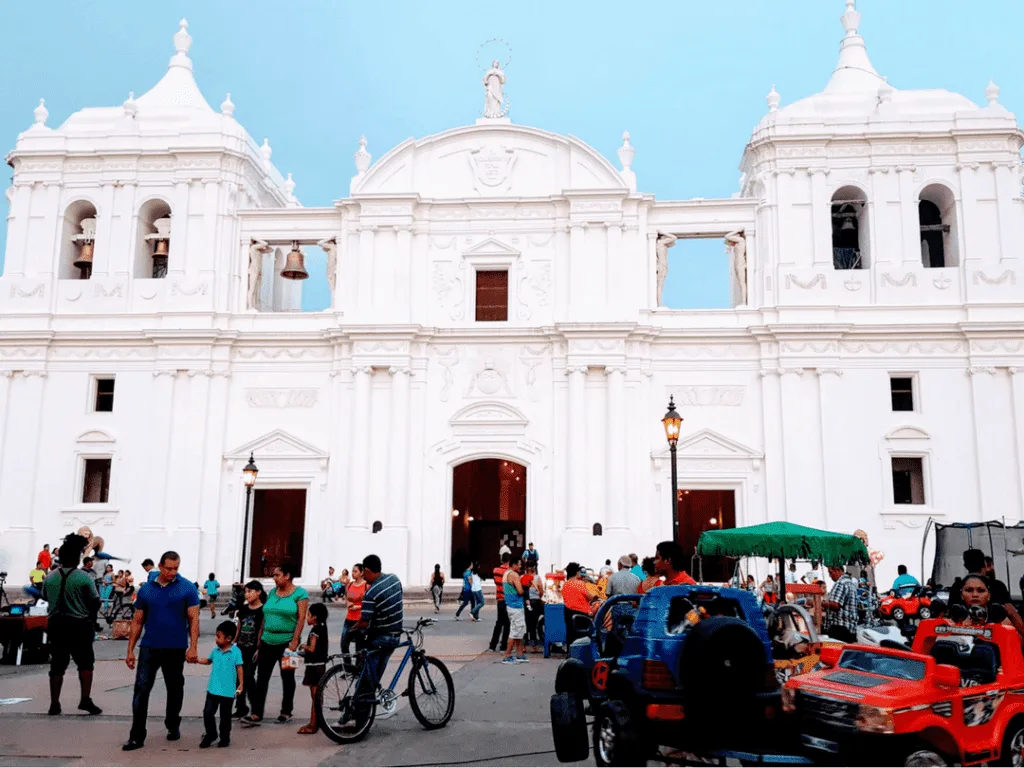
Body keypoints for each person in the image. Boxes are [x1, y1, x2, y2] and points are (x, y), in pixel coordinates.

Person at [122, 551, 201, 751]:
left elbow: (194, 619)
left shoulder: (187, 588)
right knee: (141, 688)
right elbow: (138, 620)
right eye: (168, 568)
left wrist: (193, 647)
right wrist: (130, 650)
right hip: (150, 646)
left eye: (176, 568)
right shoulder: (147, 589)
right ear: (160, 566)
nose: (172, 572)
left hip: (175, 647)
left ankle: (173, 723)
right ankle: (137, 735)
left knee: (174, 688)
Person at [41, 533, 103, 717]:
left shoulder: (50, 577)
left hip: (56, 624)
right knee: (85, 663)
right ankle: (85, 699)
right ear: (77, 558)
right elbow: (95, 601)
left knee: (57, 665)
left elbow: (44, 596)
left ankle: (54, 703)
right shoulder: (84, 578)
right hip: (79, 625)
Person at [244, 562, 309, 726]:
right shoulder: (272, 592)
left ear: (287, 576)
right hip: (267, 640)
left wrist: (295, 640)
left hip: (286, 642)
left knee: (287, 677)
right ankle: (256, 712)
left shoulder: (300, 594)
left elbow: (301, 618)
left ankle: (286, 711)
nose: (274, 578)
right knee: (262, 677)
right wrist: (259, 638)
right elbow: (265, 616)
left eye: (277, 575)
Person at [356, 554, 404, 700]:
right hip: (394, 637)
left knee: (366, 681)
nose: (363, 576)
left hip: (380, 639)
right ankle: (365, 708)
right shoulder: (395, 579)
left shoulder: (371, 593)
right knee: (374, 676)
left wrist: (351, 631)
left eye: (364, 572)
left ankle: (357, 715)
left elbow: (364, 621)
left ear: (369, 570)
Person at [948, 549, 1024, 639]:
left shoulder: (956, 587)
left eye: (980, 590)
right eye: (969, 590)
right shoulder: (997, 586)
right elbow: (1011, 612)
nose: (975, 594)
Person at [195, 620, 243, 749]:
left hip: (228, 691)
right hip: (213, 689)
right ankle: (211, 734)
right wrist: (197, 660)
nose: (216, 639)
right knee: (207, 712)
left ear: (228, 639)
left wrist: (241, 684)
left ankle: (225, 738)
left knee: (225, 717)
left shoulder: (236, 652)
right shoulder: (215, 651)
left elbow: (239, 668)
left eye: (218, 636)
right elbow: (208, 661)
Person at [232, 580, 264, 719]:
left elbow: (261, 630)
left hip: (253, 649)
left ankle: (256, 709)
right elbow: (238, 627)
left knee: (249, 677)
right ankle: (240, 707)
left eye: (250, 591)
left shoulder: (263, 610)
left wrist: (259, 647)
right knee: (238, 678)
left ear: (258, 592)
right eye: (246, 592)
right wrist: (233, 643)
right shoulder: (243, 609)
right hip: (240, 648)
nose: (247, 594)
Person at [297, 602, 329, 735]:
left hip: (314, 666)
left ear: (314, 617)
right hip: (320, 664)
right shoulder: (323, 627)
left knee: (315, 696)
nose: (307, 618)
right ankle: (317, 721)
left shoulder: (315, 631)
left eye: (308, 615)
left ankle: (313, 724)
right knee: (317, 695)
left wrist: (303, 646)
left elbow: (312, 648)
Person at [563, 562, 599, 648]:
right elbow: (591, 597)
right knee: (584, 636)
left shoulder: (565, 584)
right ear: (576, 572)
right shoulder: (580, 584)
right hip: (582, 615)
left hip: (568, 613)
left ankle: (570, 653)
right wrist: (596, 597)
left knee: (571, 634)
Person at [822, 565, 859, 642]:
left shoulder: (841, 583)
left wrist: (819, 603)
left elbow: (835, 605)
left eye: (830, 572)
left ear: (838, 570)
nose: (830, 576)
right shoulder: (850, 583)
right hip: (849, 628)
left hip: (839, 628)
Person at [502, 556, 527, 664]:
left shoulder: (506, 574)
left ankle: (520, 653)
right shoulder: (514, 575)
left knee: (519, 630)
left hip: (511, 605)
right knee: (515, 631)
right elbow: (520, 591)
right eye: (519, 564)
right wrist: (525, 588)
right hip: (516, 606)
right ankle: (507, 655)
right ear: (514, 565)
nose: (520, 566)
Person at [341, 563, 367, 656]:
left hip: (360, 620)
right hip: (349, 619)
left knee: (359, 648)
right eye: (352, 571)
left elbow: (370, 603)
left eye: (355, 571)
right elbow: (347, 598)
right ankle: (348, 666)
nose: (353, 573)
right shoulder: (350, 585)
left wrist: (358, 607)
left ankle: (358, 668)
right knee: (344, 644)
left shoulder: (366, 586)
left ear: (361, 573)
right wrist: (348, 603)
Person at [488, 552, 511, 653]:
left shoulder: (495, 570)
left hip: (499, 599)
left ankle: (492, 645)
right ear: (509, 561)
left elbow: (496, 582)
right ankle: (503, 646)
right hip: (507, 600)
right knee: (507, 623)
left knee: (499, 622)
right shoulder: (509, 572)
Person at [522, 563, 545, 650]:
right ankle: (533, 646)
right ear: (534, 568)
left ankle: (523, 646)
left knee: (526, 623)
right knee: (533, 623)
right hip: (535, 602)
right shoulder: (537, 578)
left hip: (525, 602)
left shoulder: (522, 577)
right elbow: (541, 591)